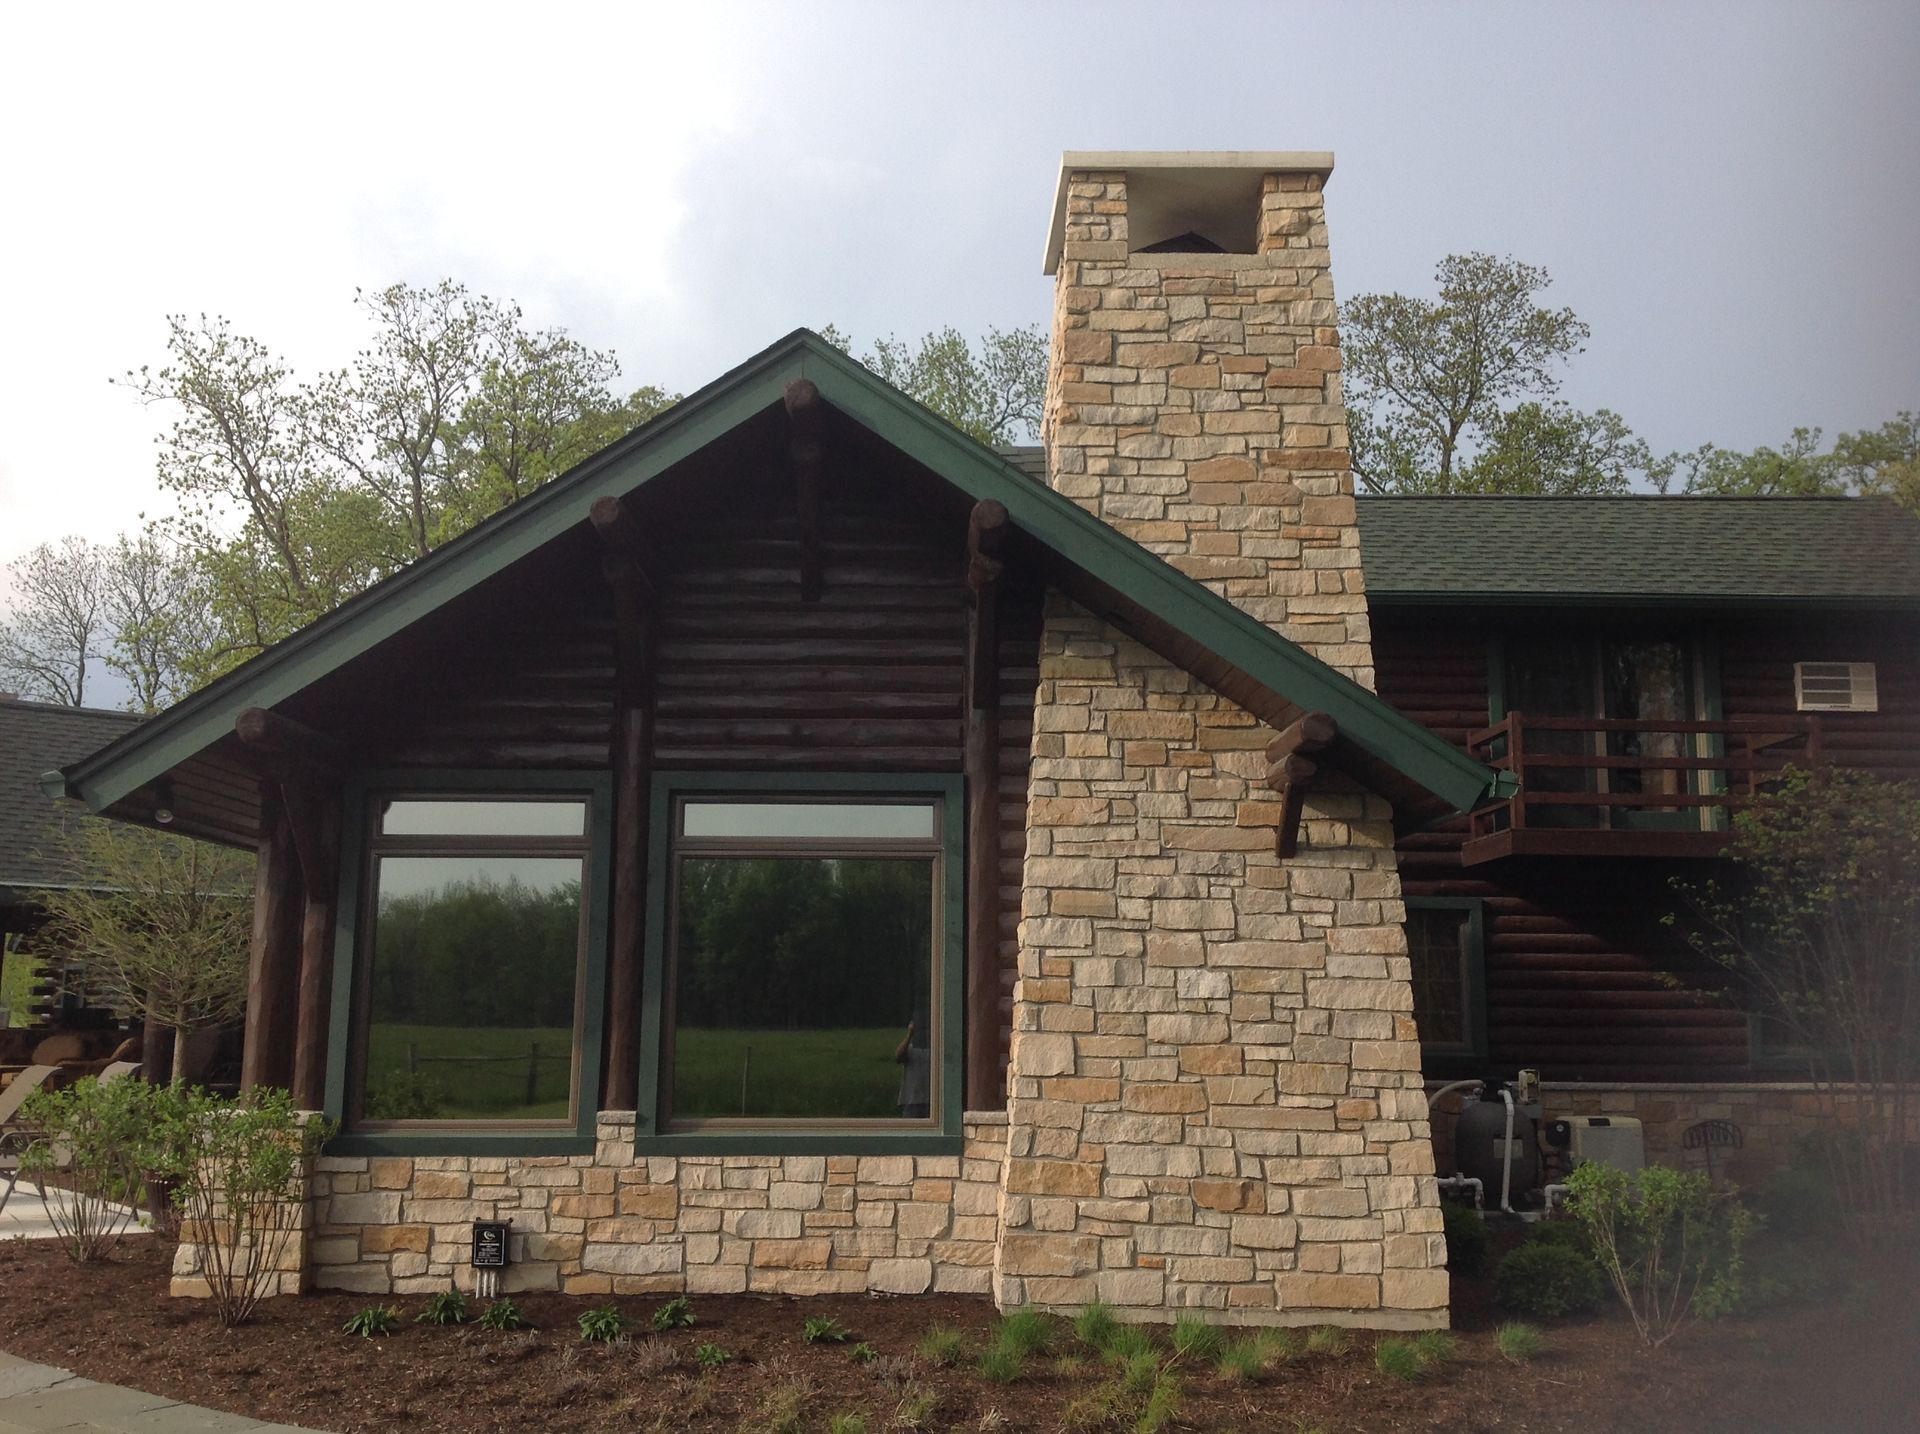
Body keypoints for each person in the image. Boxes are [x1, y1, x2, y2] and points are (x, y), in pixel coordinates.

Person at [894, 1014, 930, 1119]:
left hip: (930, 1101)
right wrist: (909, 1035)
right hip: (911, 1101)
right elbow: (898, 1056)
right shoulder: (910, 1050)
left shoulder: (935, 1050)